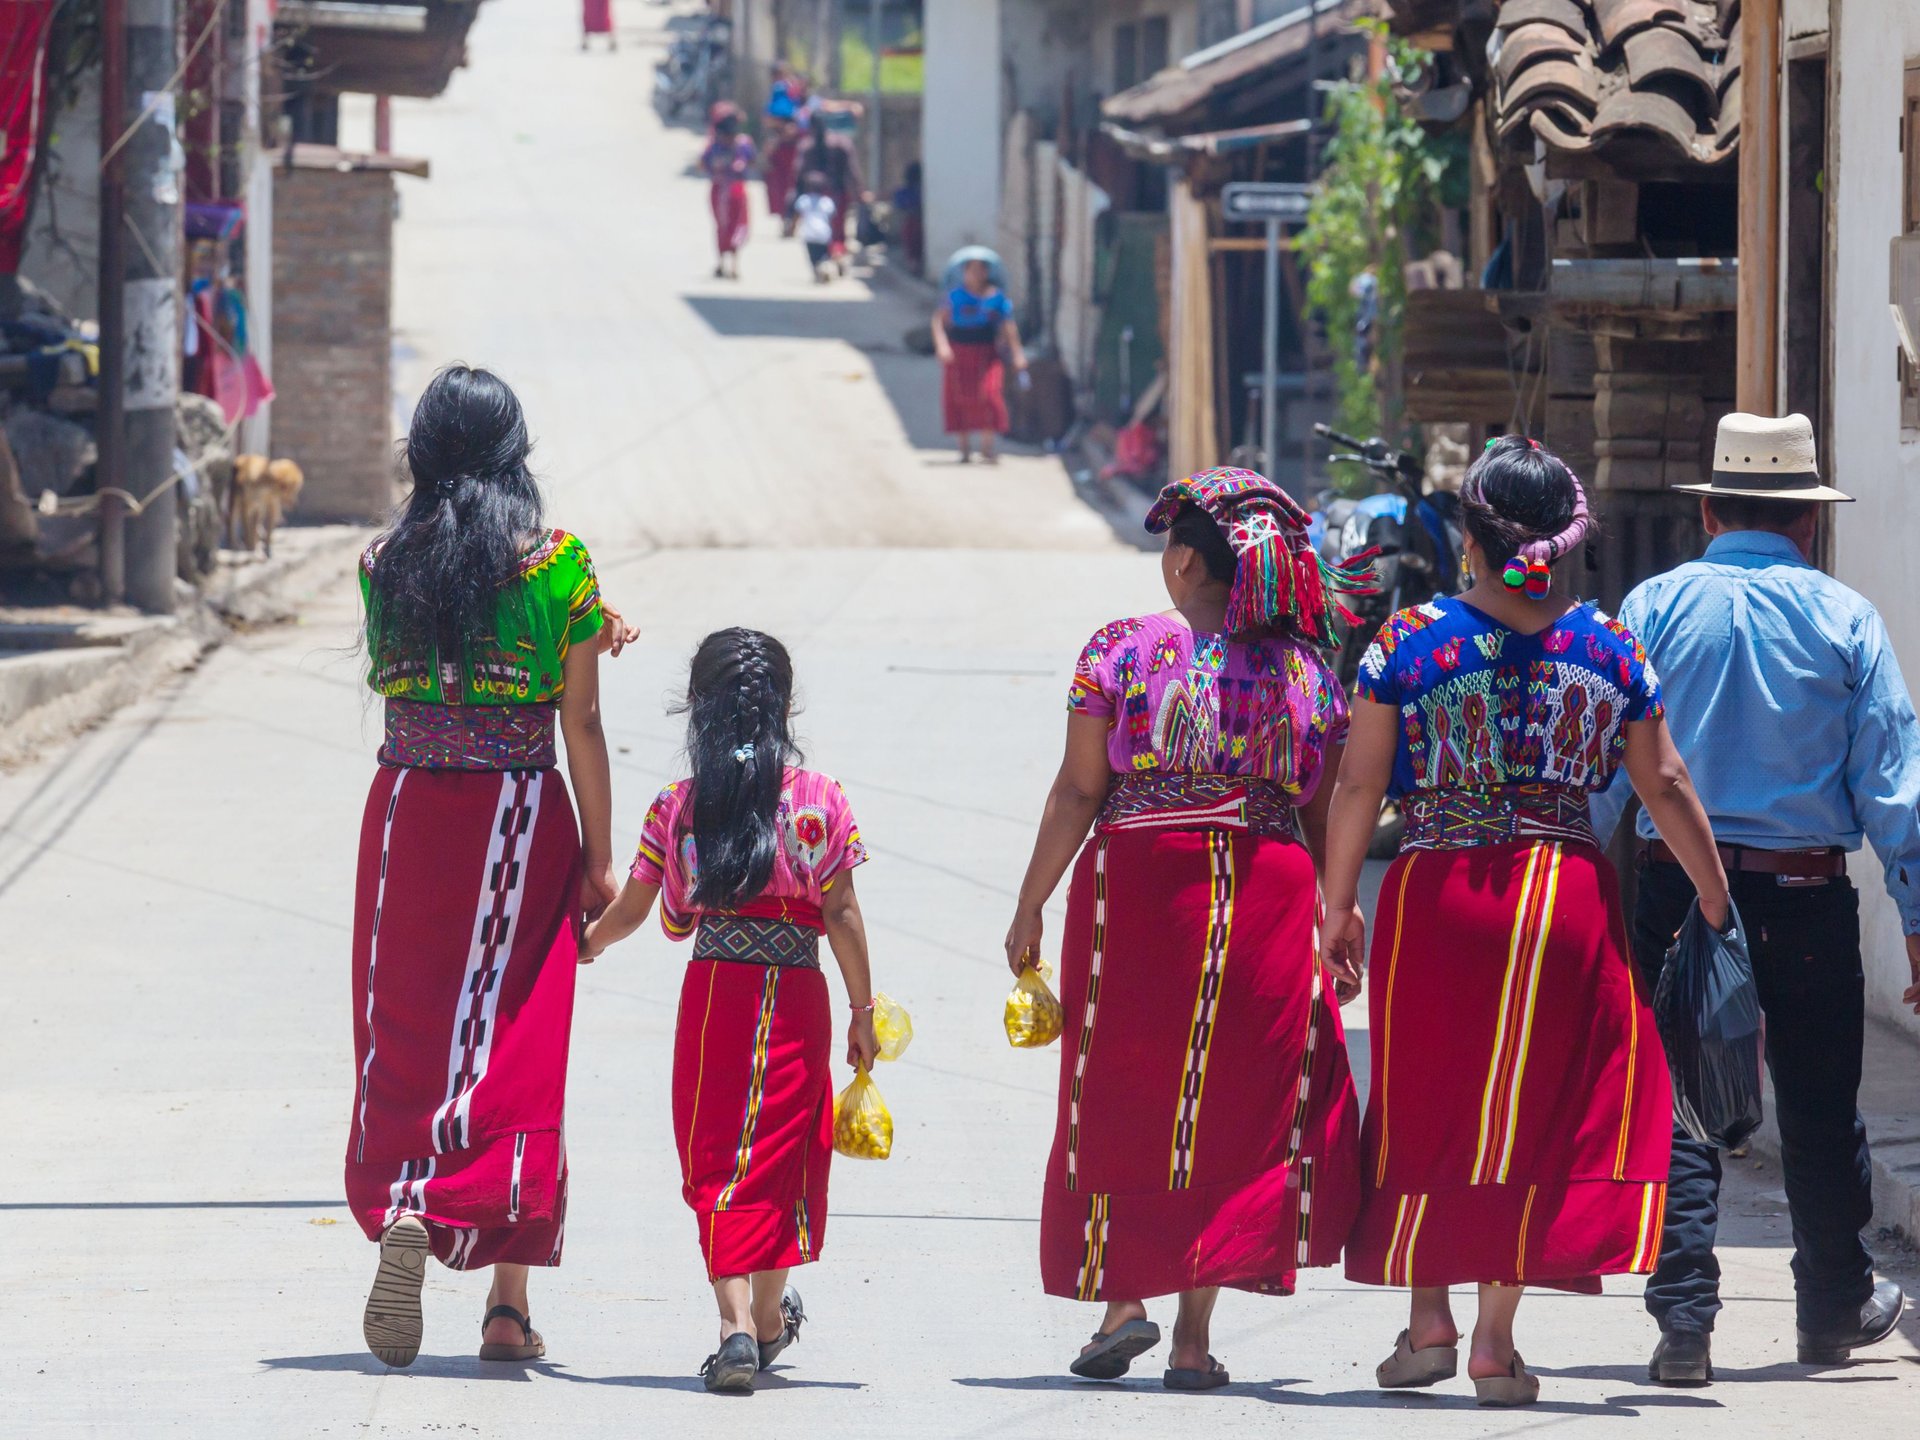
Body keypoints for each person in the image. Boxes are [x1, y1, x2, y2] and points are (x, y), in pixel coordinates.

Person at [1320, 436, 1731, 1408]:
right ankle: (1495, 1342)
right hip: (1561, 900)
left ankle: (1429, 1313)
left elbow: (1359, 781)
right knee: (1532, 1113)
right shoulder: (1608, 644)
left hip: (1436, 897)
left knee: (1428, 1098)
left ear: (1471, 535)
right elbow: (1664, 782)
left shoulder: (1405, 642)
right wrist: (1717, 897)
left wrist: (1336, 905)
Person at [1006, 467, 1375, 1390]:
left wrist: (1030, 902)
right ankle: (1193, 1339)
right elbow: (1325, 808)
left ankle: (1123, 1298)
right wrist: (1339, 908)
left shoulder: (1119, 651)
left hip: (1140, 882)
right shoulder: (1305, 671)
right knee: (1238, 1103)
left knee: (1125, 1089)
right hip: (1268, 885)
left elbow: (1079, 790)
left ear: (1180, 564)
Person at [1590, 411, 1919, 1384]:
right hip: (1806, 896)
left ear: (1705, 510)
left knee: (1686, 1102)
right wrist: (1916, 919)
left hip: (1675, 890)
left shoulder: (1648, 608)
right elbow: (1894, 792)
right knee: (1821, 1104)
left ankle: (1684, 1324)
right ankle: (1831, 1307)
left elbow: (1606, 772)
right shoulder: (1845, 618)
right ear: (1808, 524)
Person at [349, 365, 638, 1369]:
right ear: (516, 453)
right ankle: (507, 1308)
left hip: (405, 813)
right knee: (516, 1037)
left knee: (408, 1033)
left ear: (421, 456)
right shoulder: (558, 564)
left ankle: (405, 1204)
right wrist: (601, 859)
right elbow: (585, 721)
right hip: (519, 813)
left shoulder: (382, 562)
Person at [583, 629, 879, 1394]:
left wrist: (585, 945)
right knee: (782, 1152)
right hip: (799, 993)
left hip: (717, 989)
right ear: (783, 706)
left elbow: (637, 911)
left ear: (701, 710)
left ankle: (737, 1324)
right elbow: (842, 912)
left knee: (716, 1152)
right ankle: (772, 1317)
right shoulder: (821, 801)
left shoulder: (680, 805)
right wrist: (862, 1009)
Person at [932, 259, 1027, 464]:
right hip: (959, 352)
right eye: (972, 269)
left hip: (987, 354)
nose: (976, 274)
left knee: (990, 395)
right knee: (959, 397)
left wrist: (1017, 353)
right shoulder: (955, 297)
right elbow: (939, 321)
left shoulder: (997, 298)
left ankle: (987, 448)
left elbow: (1008, 327)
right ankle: (964, 449)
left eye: (981, 269)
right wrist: (942, 345)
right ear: (964, 272)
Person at [798, 109, 864, 273]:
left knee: (816, 230)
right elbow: (853, 171)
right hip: (838, 194)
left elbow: (798, 173)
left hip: (815, 196)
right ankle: (837, 255)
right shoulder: (841, 144)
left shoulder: (806, 147)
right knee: (838, 229)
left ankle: (823, 261)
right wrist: (859, 192)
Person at [702, 104, 756, 280]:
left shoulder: (739, 144)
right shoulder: (719, 145)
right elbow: (703, 163)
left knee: (732, 226)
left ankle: (731, 264)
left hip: (732, 189)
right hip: (724, 189)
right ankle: (724, 263)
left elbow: (753, 162)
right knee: (724, 226)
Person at [791, 171, 838, 283]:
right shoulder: (827, 201)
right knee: (824, 255)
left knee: (813, 257)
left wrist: (793, 228)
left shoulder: (803, 200)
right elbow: (832, 218)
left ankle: (817, 273)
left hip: (809, 233)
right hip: (824, 233)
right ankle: (824, 269)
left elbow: (797, 216)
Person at [892, 160, 924, 275]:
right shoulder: (908, 191)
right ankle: (914, 263)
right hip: (912, 222)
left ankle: (914, 262)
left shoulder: (923, 191)